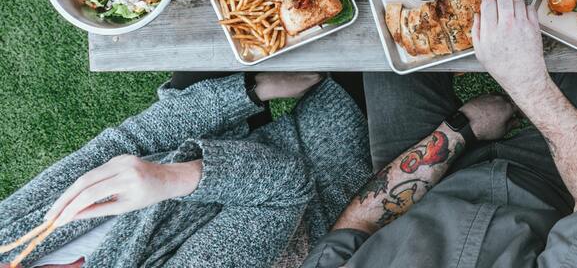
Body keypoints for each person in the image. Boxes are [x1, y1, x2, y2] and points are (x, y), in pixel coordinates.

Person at [300, 0, 577, 268]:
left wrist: (460, 129)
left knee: (389, 22)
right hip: (558, 188)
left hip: (421, 187)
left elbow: (359, 225)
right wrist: (528, 84)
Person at [0, 72, 370, 268]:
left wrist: (250, 91)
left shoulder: (8, 239)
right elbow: (285, 187)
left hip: (219, 138)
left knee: (223, 3)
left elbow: (130, 140)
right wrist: (166, 179)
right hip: (319, 161)